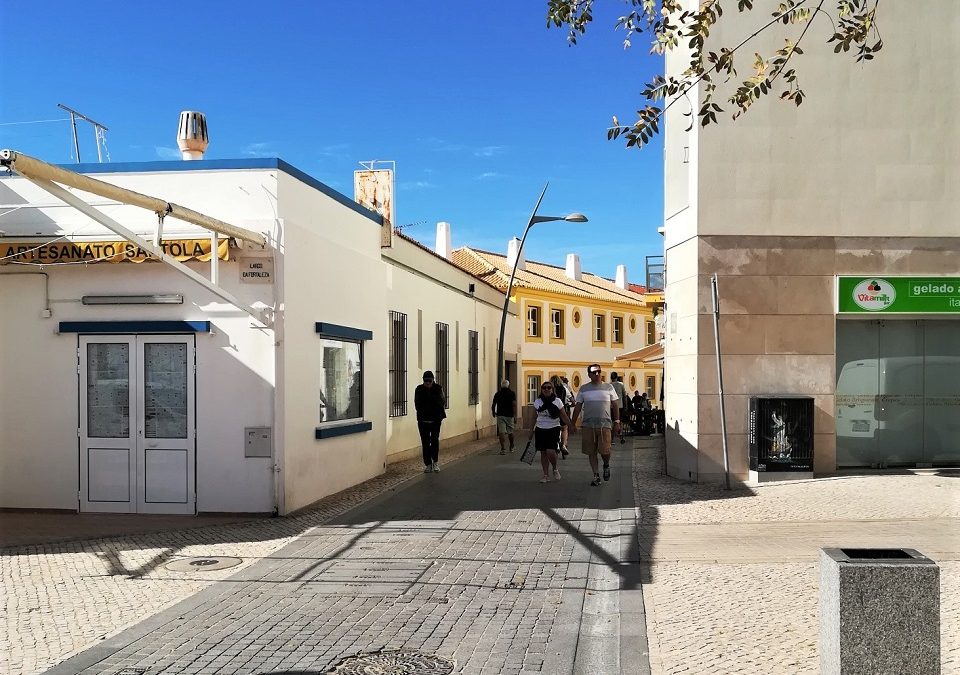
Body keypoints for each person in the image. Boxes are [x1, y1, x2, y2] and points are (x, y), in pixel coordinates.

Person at [571, 363, 620, 486]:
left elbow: (615, 405)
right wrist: (572, 423)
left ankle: (606, 464)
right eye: (594, 372)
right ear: (589, 375)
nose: (597, 374)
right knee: (591, 451)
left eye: (599, 371)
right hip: (588, 425)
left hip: (605, 425)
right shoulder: (583, 389)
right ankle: (596, 475)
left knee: (605, 451)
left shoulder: (609, 387)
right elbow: (577, 407)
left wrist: (617, 421)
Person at [532, 379, 573, 483]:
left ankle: (555, 468)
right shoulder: (538, 401)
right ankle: (545, 475)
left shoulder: (557, 401)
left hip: (553, 428)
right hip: (540, 429)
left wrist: (570, 425)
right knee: (543, 452)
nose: (546, 389)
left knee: (551, 451)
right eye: (544, 388)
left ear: (552, 390)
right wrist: (530, 431)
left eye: (549, 387)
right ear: (541, 390)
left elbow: (563, 415)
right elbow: (534, 417)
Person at [414, 370, 446, 473]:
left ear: (433, 380)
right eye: (425, 381)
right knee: (425, 442)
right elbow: (417, 404)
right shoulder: (419, 389)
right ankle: (428, 464)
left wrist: (429, 401)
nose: (427, 383)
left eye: (429, 381)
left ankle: (435, 462)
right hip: (423, 421)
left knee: (435, 441)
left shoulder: (438, 388)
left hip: (435, 420)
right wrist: (430, 403)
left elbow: (441, 402)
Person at [491, 379, 517, 454]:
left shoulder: (497, 394)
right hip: (509, 415)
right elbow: (514, 404)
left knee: (501, 432)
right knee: (510, 432)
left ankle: (503, 449)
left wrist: (493, 412)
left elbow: (494, 404)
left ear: (501, 385)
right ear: (508, 385)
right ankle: (511, 446)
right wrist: (515, 415)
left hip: (500, 415)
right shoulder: (512, 393)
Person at [551, 375, 570, 458]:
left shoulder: (549, 389)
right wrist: (572, 404)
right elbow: (572, 399)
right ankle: (564, 445)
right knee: (564, 428)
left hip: (552, 412)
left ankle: (557, 444)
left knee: (555, 428)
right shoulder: (564, 388)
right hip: (562, 411)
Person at [609, 372, 629, 444]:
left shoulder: (609, 385)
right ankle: (621, 436)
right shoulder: (621, 385)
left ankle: (612, 439)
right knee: (620, 422)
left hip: (611, 406)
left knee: (612, 422)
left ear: (611, 377)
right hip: (620, 406)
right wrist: (626, 405)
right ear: (617, 377)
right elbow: (624, 396)